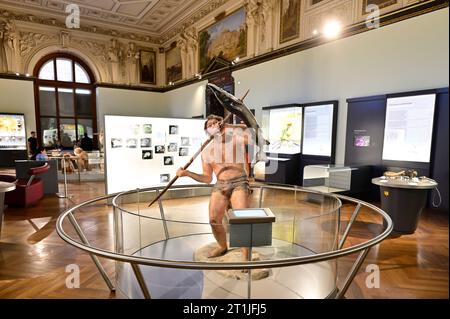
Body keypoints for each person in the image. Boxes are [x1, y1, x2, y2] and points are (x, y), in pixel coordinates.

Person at [176, 114, 252, 259]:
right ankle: (222, 246)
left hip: (239, 182)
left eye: (216, 122)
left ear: (222, 124)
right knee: (213, 220)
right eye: (209, 124)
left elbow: (252, 132)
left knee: (242, 218)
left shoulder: (235, 139)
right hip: (220, 184)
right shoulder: (206, 149)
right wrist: (187, 173)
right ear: (206, 130)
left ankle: (246, 254)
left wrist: (229, 126)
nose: (213, 125)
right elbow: (207, 178)